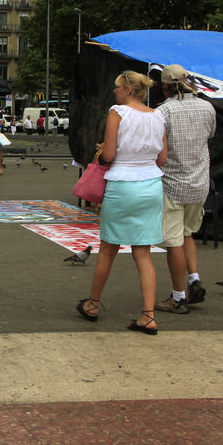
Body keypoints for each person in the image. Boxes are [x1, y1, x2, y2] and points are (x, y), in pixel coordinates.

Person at [76, 71, 167, 334]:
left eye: (117, 87)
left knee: (108, 248)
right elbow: (162, 158)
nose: (114, 91)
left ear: (127, 89)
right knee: (143, 252)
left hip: (123, 185)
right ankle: (148, 315)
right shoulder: (158, 115)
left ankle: (93, 304)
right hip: (151, 185)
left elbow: (109, 155)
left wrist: (103, 151)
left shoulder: (117, 112)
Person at [154, 64, 217, 315]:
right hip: (199, 183)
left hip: (172, 184)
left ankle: (178, 297)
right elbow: (210, 136)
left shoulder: (164, 111)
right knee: (188, 233)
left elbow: (159, 150)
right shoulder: (207, 107)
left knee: (173, 242)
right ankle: (194, 279)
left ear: (165, 87)